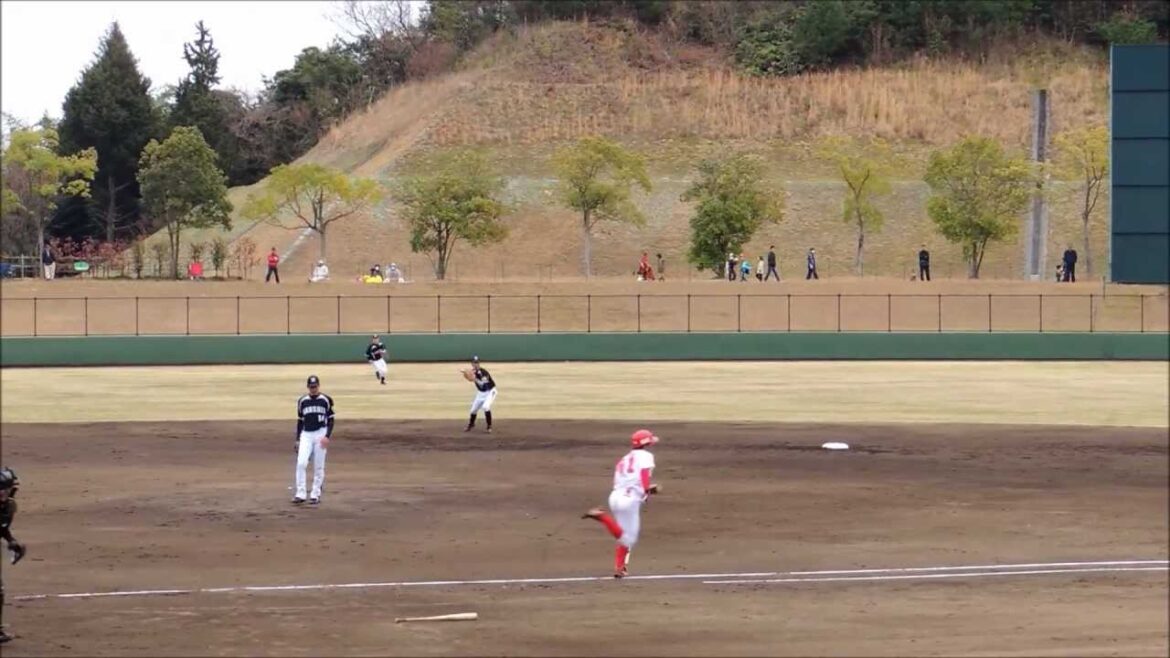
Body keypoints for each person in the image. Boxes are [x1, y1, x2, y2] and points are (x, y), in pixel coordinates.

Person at [582, 429, 661, 579]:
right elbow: (644, 474)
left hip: (616, 496)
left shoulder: (624, 458)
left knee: (624, 534)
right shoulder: (646, 456)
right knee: (628, 538)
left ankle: (620, 568)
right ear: (647, 443)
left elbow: (620, 480)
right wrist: (646, 490)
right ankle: (601, 517)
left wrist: (644, 490)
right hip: (629, 499)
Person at [293, 375, 334, 505]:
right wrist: (298, 439)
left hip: (320, 433)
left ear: (318, 386)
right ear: (308, 387)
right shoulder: (302, 401)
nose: (313, 389)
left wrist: (327, 436)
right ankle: (300, 493)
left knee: (318, 466)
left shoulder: (326, 400)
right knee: (301, 463)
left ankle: (315, 494)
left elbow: (331, 419)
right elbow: (300, 421)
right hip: (306, 434)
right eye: (311, 387)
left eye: (315, 387)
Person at [0, 467, 26, 644]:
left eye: (7, 488)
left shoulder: (8, 506)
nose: (5, 492)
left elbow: (1, 527)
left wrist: (11, 541)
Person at [461, 356, 497, 433]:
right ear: (472, 364)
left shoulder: (484, 373)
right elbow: (469, 375)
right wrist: (466, 373)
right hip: (481, 393)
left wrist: (475, 379)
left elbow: (484, 386)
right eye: (474, 363)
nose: (476, 364)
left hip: (490, 392)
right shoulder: (473, 371)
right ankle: (471, 424)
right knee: (473, 410)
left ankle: (489, 426)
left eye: (477, 362)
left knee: (485, 407)